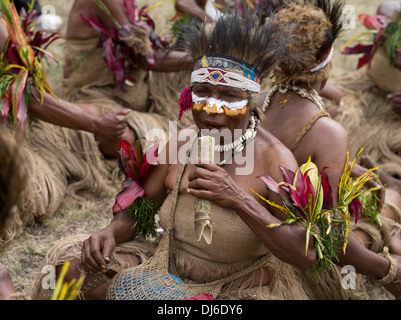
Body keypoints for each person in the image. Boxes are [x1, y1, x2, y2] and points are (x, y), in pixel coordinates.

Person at [31, 10, 361, 300]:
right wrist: (110, 233)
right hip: (167, 267)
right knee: (68, 270)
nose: (211, 109)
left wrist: (237, 199)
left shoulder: (274, 160)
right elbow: (143, 207)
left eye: (228, 95)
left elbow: (307, 253)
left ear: (249, 101)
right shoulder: (182, 141)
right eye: (202, 92)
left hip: (238, 284)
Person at [0, 0, 193, 240]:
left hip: (111, 101)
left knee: (133, 139)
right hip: (92, 95)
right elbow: (147, 59)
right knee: (130, 140)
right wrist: (201, 58)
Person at [258, 0, 401, 299]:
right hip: (288, 252)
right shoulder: (327, 133)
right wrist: (387, 271)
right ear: (326, 67)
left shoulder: (256, 102)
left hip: (249, 234)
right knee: (390, 202)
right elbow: (331, 237)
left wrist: (344, 167)